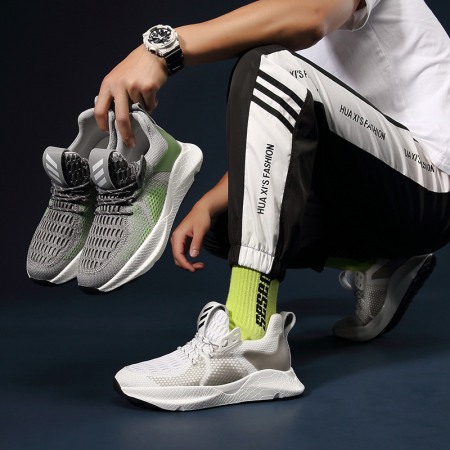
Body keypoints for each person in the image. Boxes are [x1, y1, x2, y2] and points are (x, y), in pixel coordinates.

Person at [94, 0, 450, 411]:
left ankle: (250, 341)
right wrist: (208, 204)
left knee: (269, 65)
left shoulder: (308, 12)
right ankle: (376, 262)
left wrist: (164, 50)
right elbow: (288, 131)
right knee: (226, 221)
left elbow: (312, 17)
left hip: (434, 184)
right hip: (384, 186)